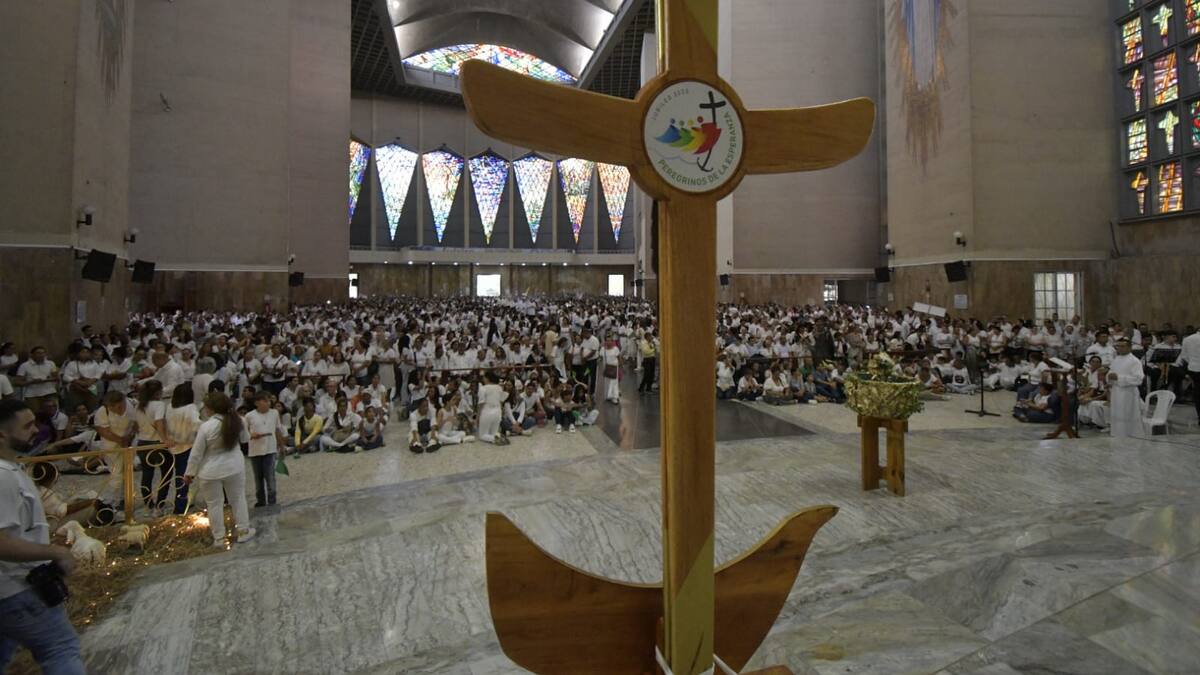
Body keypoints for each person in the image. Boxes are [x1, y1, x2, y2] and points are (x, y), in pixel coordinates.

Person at [0, 399, 85, 675]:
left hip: (11, 590)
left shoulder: (11, 470)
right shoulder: (2, 477)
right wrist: (55, 552)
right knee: (61, 649)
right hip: (17, 587)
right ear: (3, 434)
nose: (36, 430)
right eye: (27, 426)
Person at [183, 393, 255, 547]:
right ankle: (243, 531)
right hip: (234, 466)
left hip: (209, 471)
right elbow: (245, 439)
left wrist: (189, 473)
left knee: (214, 504)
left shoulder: (206, 427)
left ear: (210, 409)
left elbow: (196, 453)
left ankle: (219, 538)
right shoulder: (239, 421)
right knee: (237, 499)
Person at [133, 380, 171, 512]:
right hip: (157, 443)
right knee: (166, 473)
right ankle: (160, 502)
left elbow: (136, 426)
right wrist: (165, 439)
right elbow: (159, 422)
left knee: (147, 474)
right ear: (157, 392)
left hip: (143, 442)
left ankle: (148, 502)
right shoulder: (159, 405)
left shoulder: (138, 406)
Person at [164, 386, 201, 514]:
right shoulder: (190, 408)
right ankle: (180, 507)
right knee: (185, 477)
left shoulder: (169, 407)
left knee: (178, 476)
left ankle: (181, 503)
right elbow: (196, 425)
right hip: (188, 445)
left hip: (173, 445)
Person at [245, 392, 285, 506]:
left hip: (270, 448)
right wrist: (251, 435)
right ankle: (261, 501)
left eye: (269, 400)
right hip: (255, 450)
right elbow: (244, 432)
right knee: (258, 478)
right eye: (265, 400)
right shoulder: (249, 416)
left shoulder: (274, 413)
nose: (268, 403)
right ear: (257, 403)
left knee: (270, 477)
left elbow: (278, 430)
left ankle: (272, 500)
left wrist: (281, 446)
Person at [1107, 337, 1145, 438]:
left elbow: (1138, 379)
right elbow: (1111, 373)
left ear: (1129, 347)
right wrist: (1109, 376)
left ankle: (1129, 435)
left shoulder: (1134, 361)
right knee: (1117, 414)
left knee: (1127, 414)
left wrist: (1119, 377)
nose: (1119, 348)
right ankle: (1117, 434)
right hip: (1116, 392)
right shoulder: (1116, 359)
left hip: (1128, 393)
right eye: (1118, 346)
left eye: (1122, 346)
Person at [14, 347, 58, 413]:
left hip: (49, 392)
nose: (41, 355)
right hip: (32, 394)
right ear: (32, 355)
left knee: (53, 413)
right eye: (38, 353)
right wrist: (31, 382)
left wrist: (45, 380)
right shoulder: (24, 366)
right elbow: (17, 382)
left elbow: (56, 378)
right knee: (36, 414)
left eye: (43, 353)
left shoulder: (50, 363)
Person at [477, 371, 509, 445]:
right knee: (493, 433)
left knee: (482, 435)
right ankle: (497, 437)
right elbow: (501, 401)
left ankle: (496, 438)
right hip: (497, 412)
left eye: (484, 377)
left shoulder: (483, 388)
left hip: (486, 412)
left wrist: (477, 418)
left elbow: (481, 404)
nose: (483, 379)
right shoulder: (499, 387)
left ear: (487, 378)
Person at [1176, 326, 1200, 424]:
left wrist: (1193, 362)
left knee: (1198, 392)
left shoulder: (1188, 339)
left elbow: (1184, 356)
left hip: (1194, 368)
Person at [601, 337, 621, 404]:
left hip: (614, 367)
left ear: (612, 342)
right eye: (607, 341)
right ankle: (608, 396)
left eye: (610, 341)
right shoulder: (603, 349)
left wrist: (621, 366)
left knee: (614, 382)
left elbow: (619, 357)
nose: (608, 342)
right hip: (606, 367)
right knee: (607, 382)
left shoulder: (616, 349)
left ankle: (614, 397)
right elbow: (601, 357)